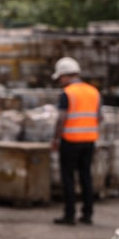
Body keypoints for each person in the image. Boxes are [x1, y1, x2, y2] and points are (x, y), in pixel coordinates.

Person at [51, 56, 102, 226]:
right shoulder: (94, 91)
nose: (60, 81)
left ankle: (69, 215)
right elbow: (99, 117)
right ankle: (87, 214)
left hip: (70, 140)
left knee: (68, 178)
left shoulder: (68, 93)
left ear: (65, 75)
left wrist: (55, 138)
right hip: (89, 140)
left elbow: (62, 118)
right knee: (86, 176)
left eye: (60, 78)